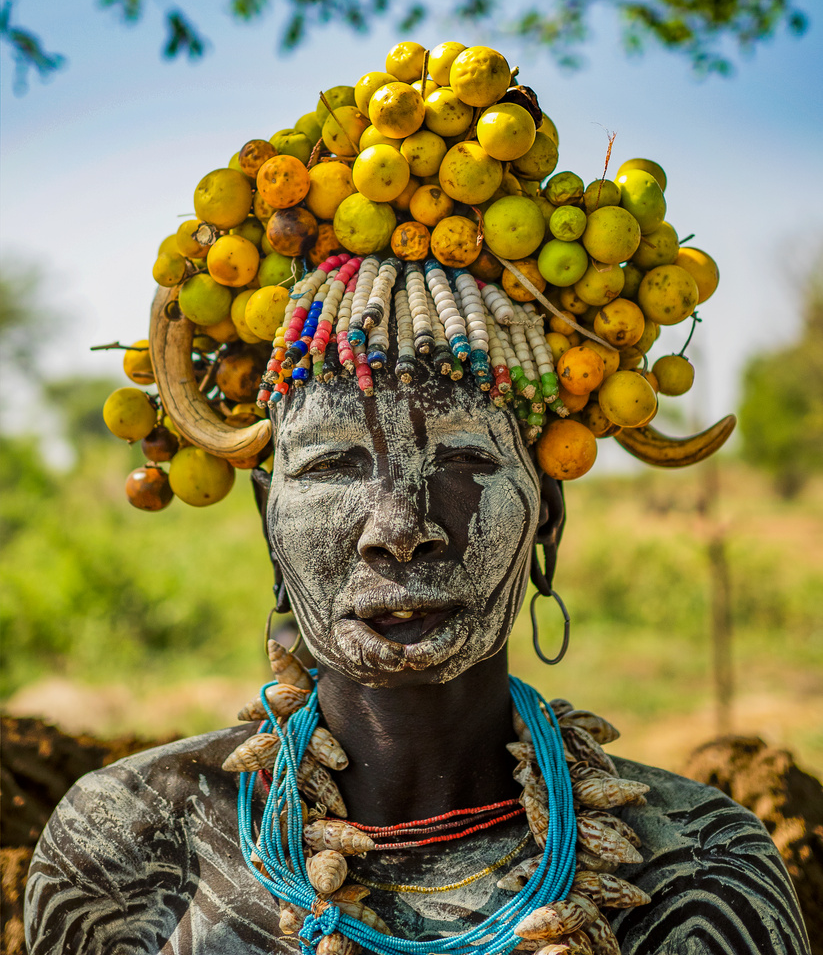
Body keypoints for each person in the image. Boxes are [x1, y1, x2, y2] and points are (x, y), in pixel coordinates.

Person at [25, 256, 810, 955]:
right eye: (333, 463)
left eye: (467, 459)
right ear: (268, 524)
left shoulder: (695, 877)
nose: (399, 530)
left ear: (546, 514)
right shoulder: (127, 853)